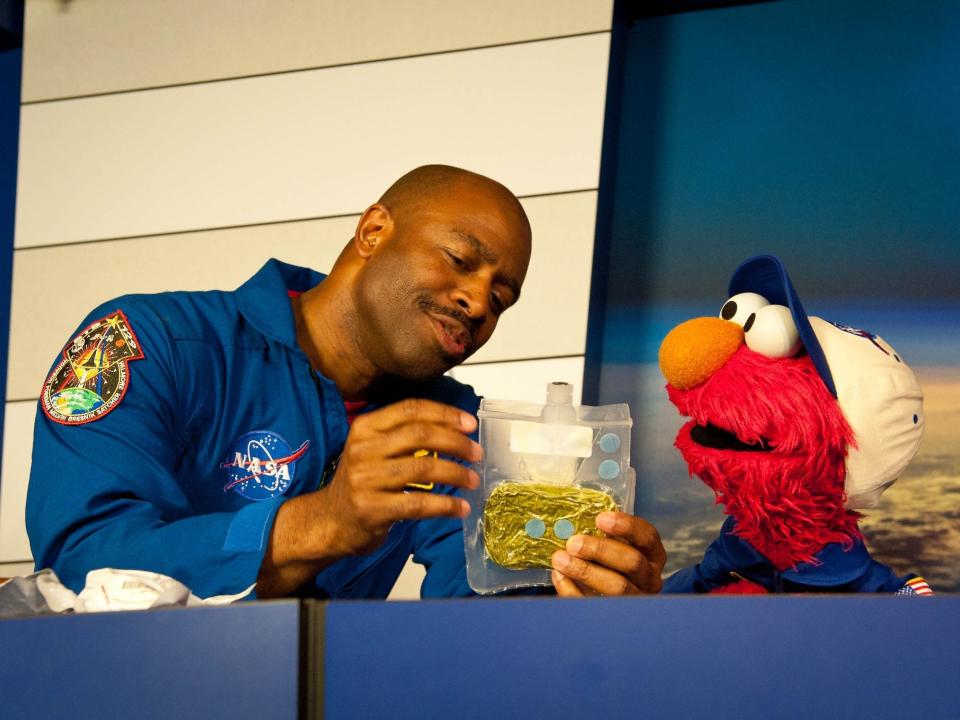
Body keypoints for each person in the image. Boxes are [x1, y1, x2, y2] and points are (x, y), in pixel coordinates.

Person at [26, 165, 666, 600]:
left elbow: (482, 618)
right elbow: (84, 563)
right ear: (374, 231)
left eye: (501, 296)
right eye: (460, 260)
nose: (477, 300)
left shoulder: (455, 429)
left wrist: (578, 592)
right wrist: (315, 525)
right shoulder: (147, 340)